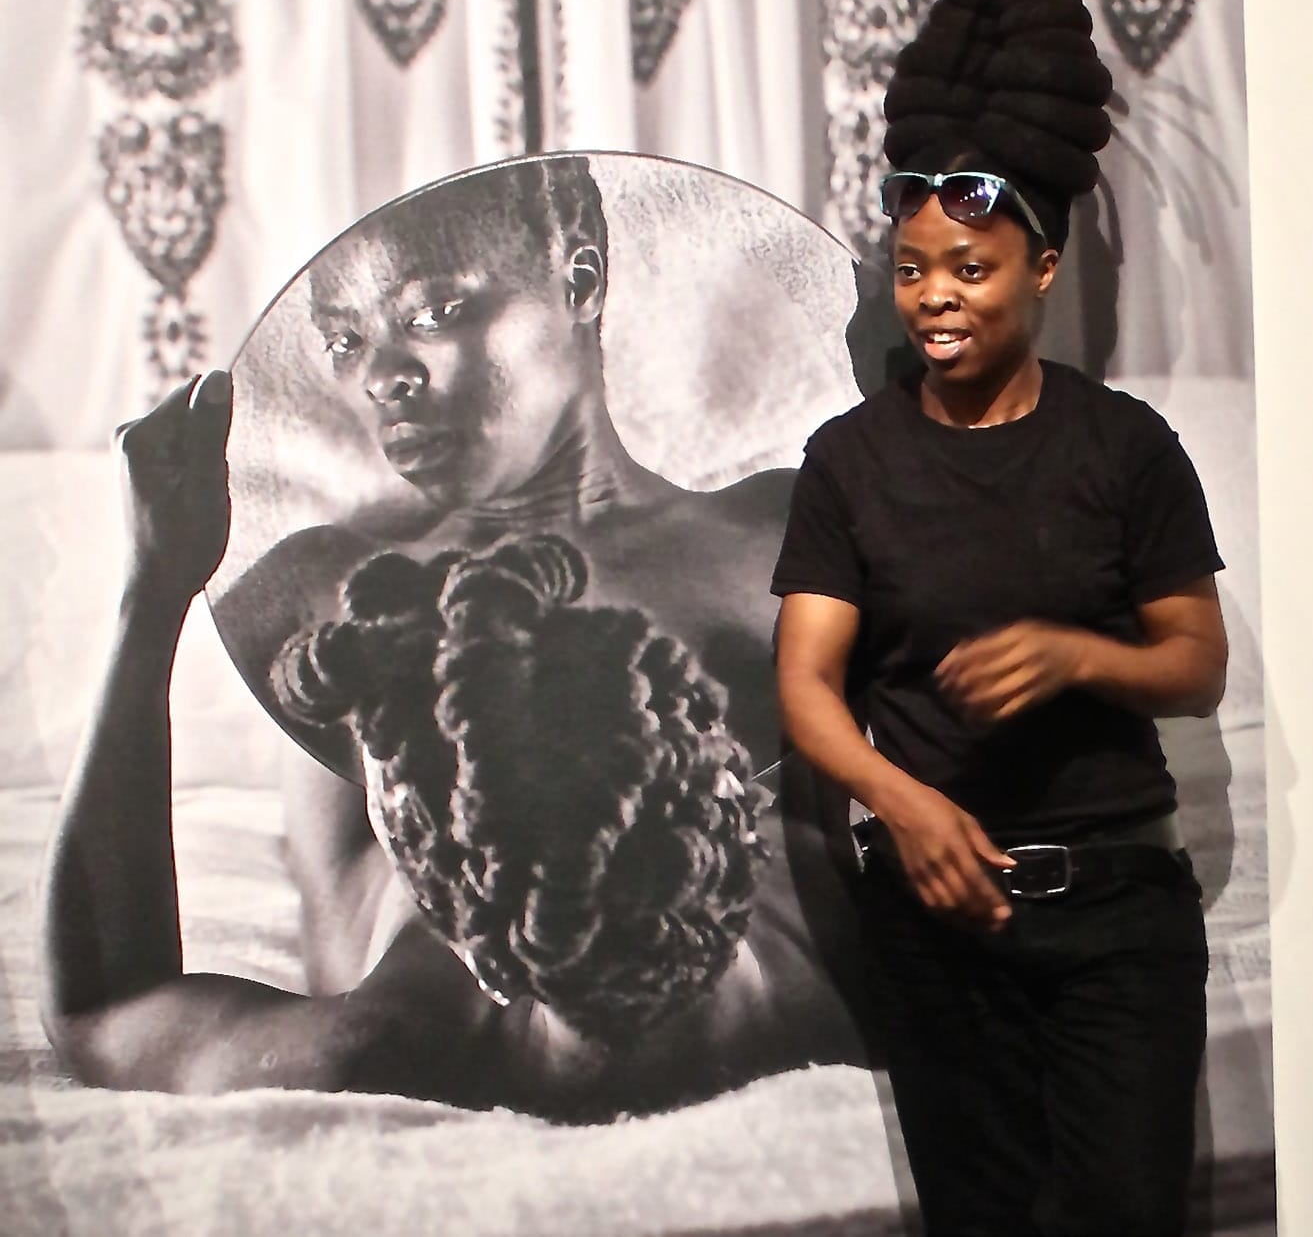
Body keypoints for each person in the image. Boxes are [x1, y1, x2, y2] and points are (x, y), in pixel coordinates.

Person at [772, 0, 1228, 1233]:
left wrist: (1076, 655)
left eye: (969, 266)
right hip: (937, 919)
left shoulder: (1123, 445)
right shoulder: (851, 458)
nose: (936, 296)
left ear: (1041, 260)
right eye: (911, 269)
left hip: (1116, 925)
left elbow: (1194, 661)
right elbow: (807, 684)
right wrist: (903, 804)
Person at [38, 370, 862, 1117]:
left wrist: (149, 593)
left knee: (347, 612)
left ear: (484, 962)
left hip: (455, 832)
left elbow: (100, 1005)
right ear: (740, 798)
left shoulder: (403, 1036)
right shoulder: (877, 993)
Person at [212, 156, 842, 1001]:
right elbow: (342, 940)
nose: (381, 376)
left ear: (579, 279)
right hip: (483, 1041)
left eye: (434, 312)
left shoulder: (780, 535)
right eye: (345, 340)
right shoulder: (320, 592)